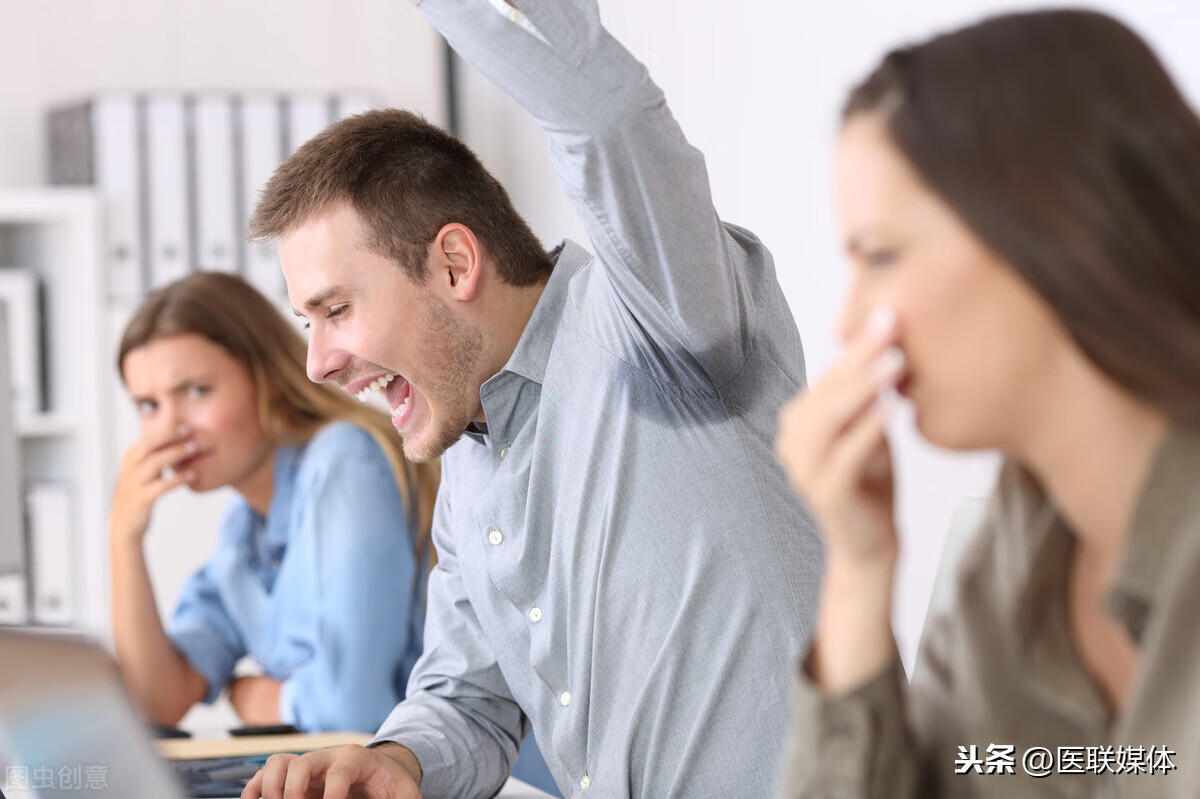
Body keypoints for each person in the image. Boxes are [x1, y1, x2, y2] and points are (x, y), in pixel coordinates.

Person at [239, 0, 823, 796]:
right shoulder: (471, 468)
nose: (316, 363)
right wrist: (395, 759)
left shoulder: (658, 318)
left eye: (336, 310)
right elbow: (468, 703)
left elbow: (607, 115)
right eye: (307, 320)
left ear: (453, 263)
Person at [775, 9, 1200, 798]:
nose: (844, 322)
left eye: (880, 254)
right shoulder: (1008, 552)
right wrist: (857, 580)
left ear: (1052, 229)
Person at [109, 271, 439, 734]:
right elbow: (159, 702)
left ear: (264, 376)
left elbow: (352, 713)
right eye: (148, 405)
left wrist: (259, 697)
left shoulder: (342, 463)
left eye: (197, 391)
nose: (170, 429)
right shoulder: (242, 533)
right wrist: (124, 539)